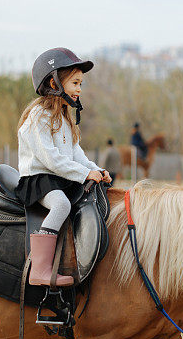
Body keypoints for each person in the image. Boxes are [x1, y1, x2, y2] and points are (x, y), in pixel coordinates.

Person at [16, 48, 111, 287]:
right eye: (75, 82)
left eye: (81, 83)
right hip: (39, 179)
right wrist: (83, 174)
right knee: (61, 205)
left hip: (57, 177)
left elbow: (76, 154)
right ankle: (40, 269)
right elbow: (51, 159)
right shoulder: (39, 116)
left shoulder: (64, 118)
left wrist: (96, 170)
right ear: (54, 82)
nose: (79, 89)